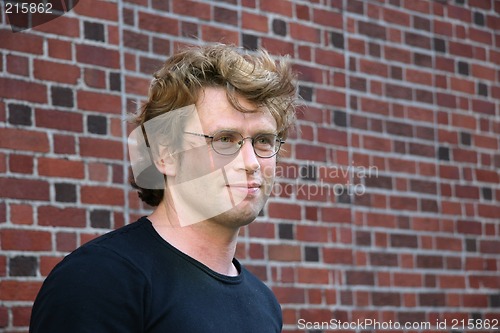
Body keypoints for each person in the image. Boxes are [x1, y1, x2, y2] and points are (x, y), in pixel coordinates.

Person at [29, 43, 298, 332]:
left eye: (263, 140)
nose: (251, 162)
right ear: (165, 155)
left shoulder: (264, 304)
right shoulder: (99, 280)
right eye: (224, 139)